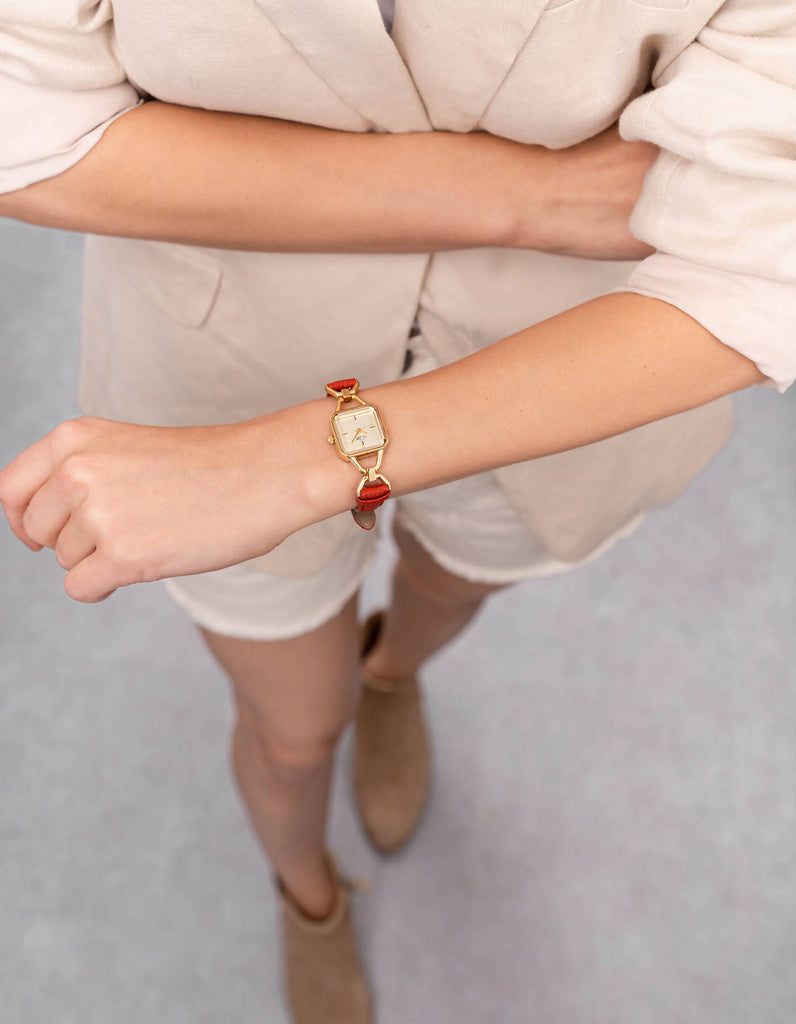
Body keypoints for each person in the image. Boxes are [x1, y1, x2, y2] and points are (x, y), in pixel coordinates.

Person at [0, 2, 794, 1022]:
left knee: (447, 590)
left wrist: (298, 459)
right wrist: (526, 196)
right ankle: (309, 894)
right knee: (291, 736)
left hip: (554, 379)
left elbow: (764, 258)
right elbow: (27, 130)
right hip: (215, 363)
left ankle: (392, 674)